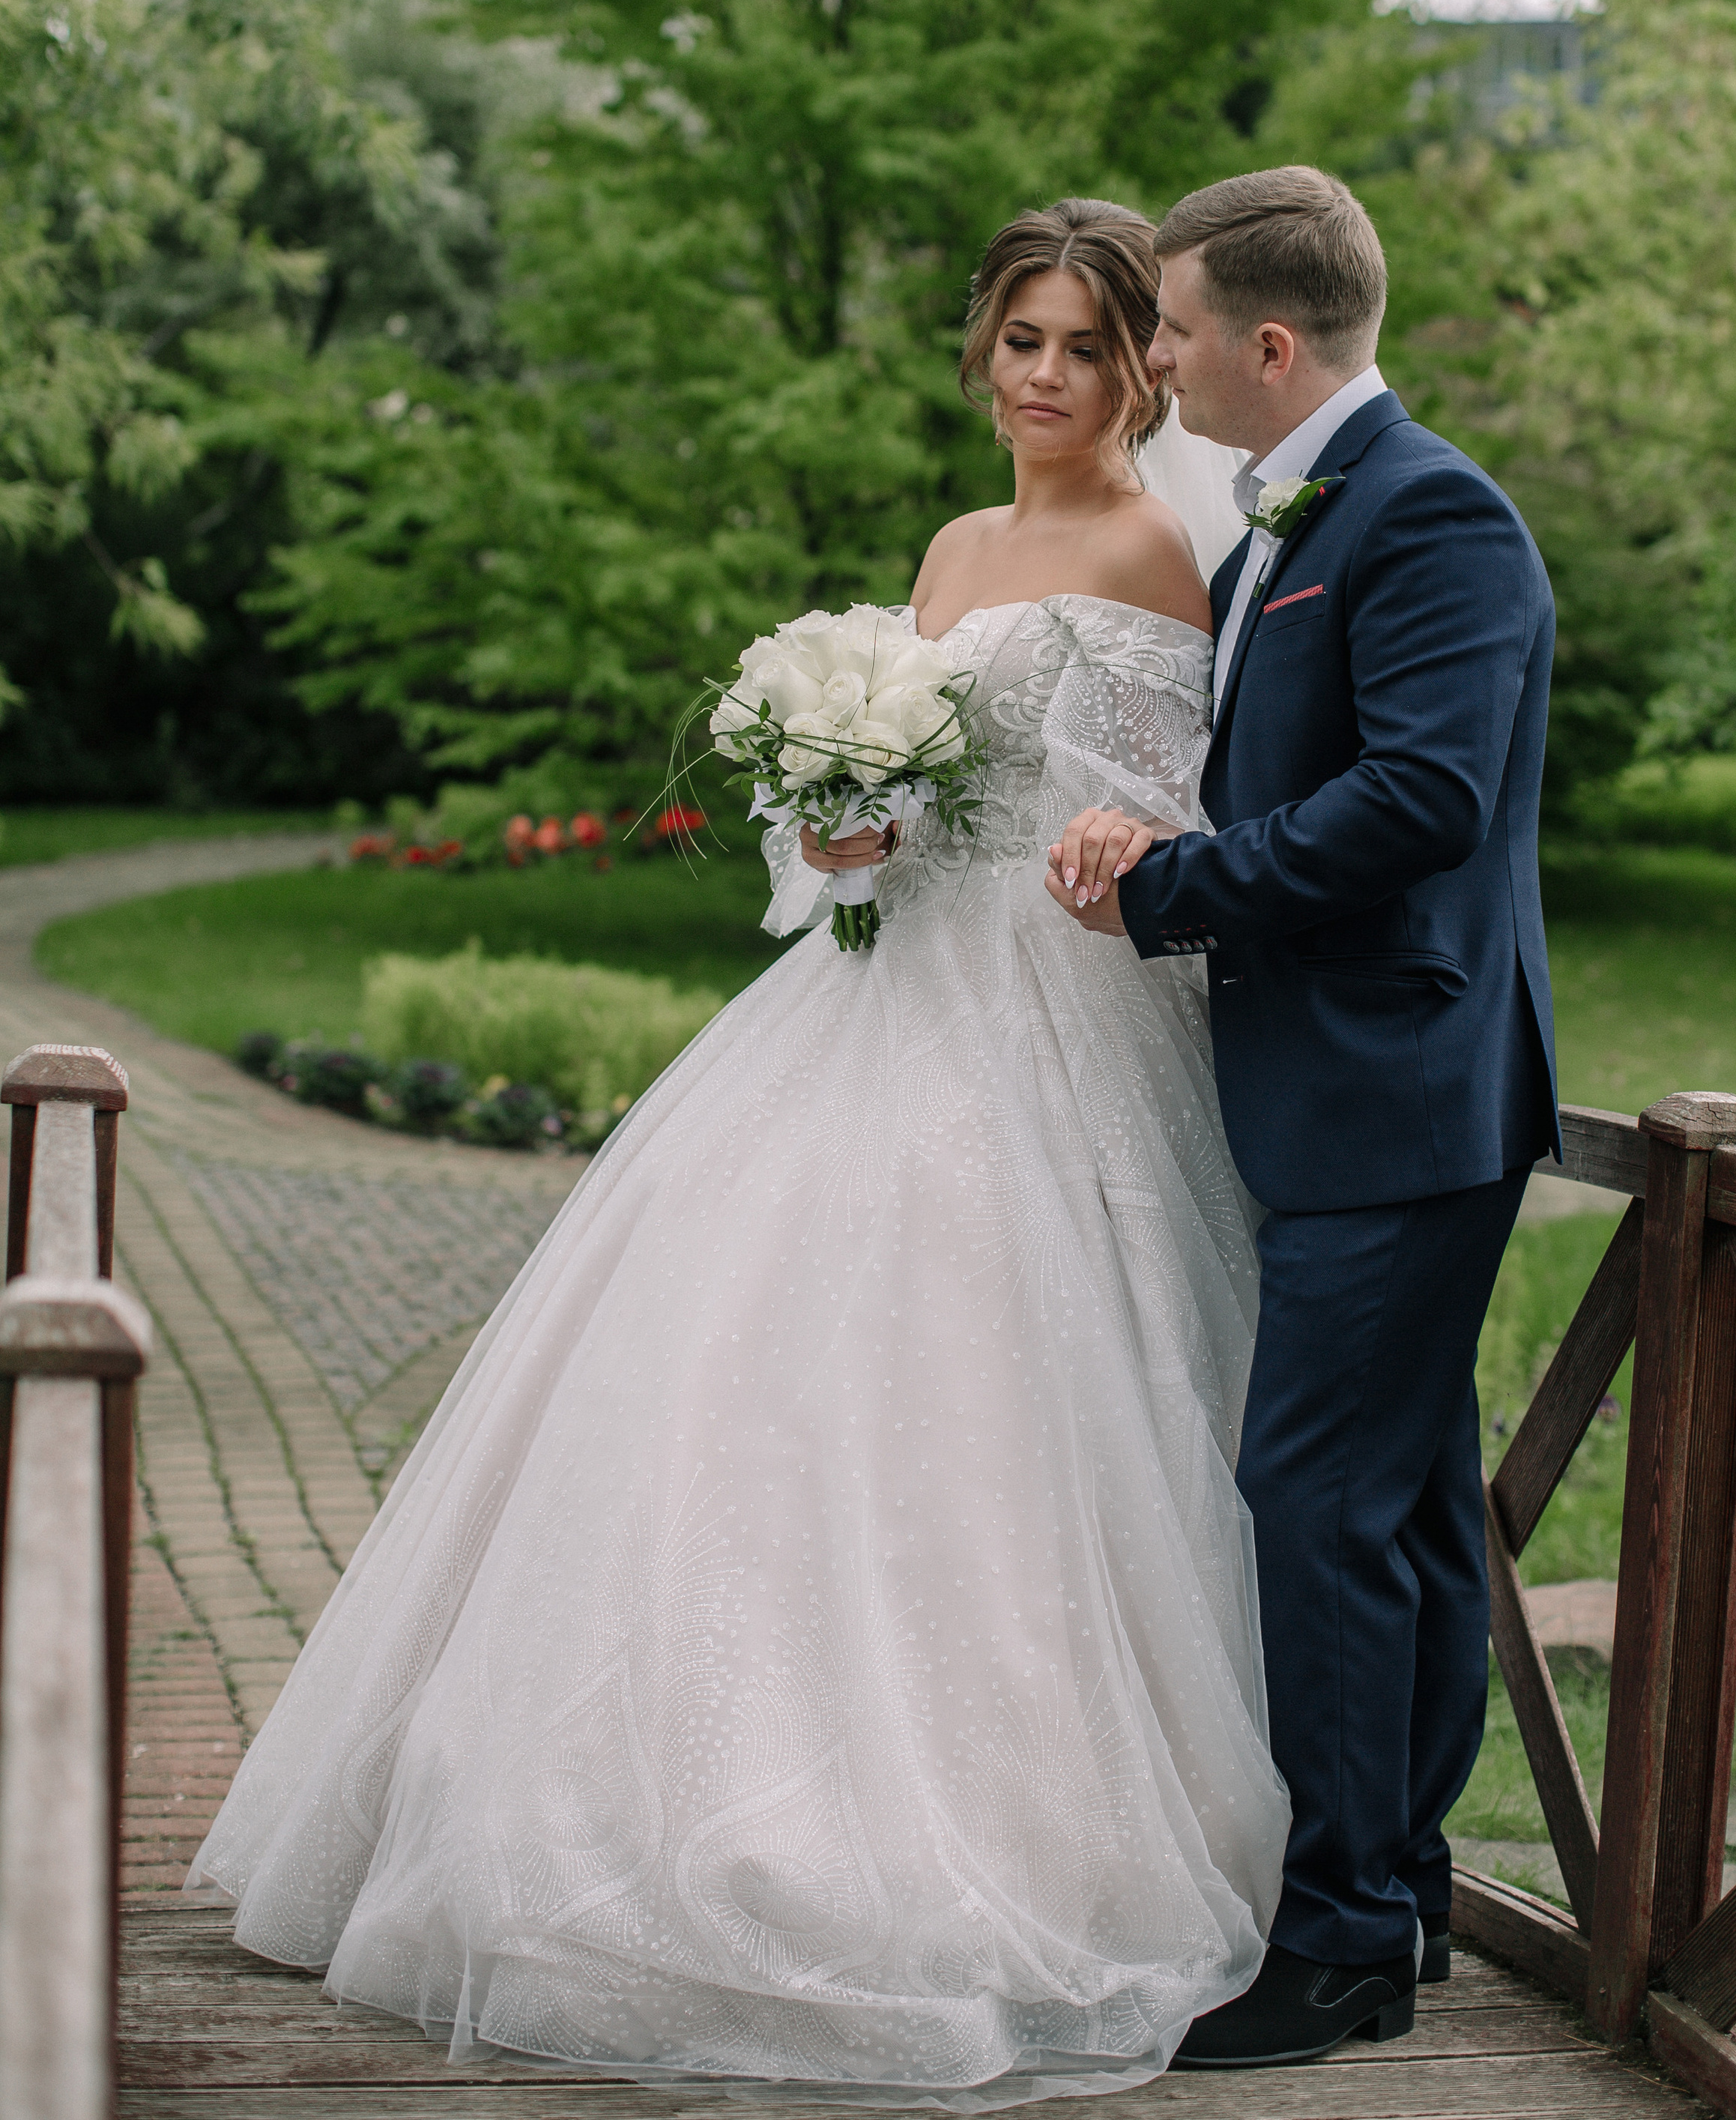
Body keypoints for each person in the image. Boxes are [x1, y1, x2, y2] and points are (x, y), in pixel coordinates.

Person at [187, 197, 1290, 2107]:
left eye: (1084, 348)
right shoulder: (954, 542)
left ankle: (988, 1832)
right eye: (1016, 340)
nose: (1041, 379)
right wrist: (839, 812)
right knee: (722, 1377)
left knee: (981, 1394)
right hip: (874, 995)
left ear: (1145, 368)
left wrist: (1052, 851)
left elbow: (1145, 826)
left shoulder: (1156, 549)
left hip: (1042, 1023)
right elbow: (886, 819)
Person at [1048, 166, 1558, 2070]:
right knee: (1406, 1512)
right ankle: (1399, 1896)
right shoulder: (1288, 524)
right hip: (1348, 1089)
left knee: (1320, 1499)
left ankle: (1338, 1935)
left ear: (1266, 345)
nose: (1150, 354)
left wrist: (1176, 888)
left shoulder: (1433, 521)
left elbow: (1419, 801)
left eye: (1168, 327)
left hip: (1400, 1090)